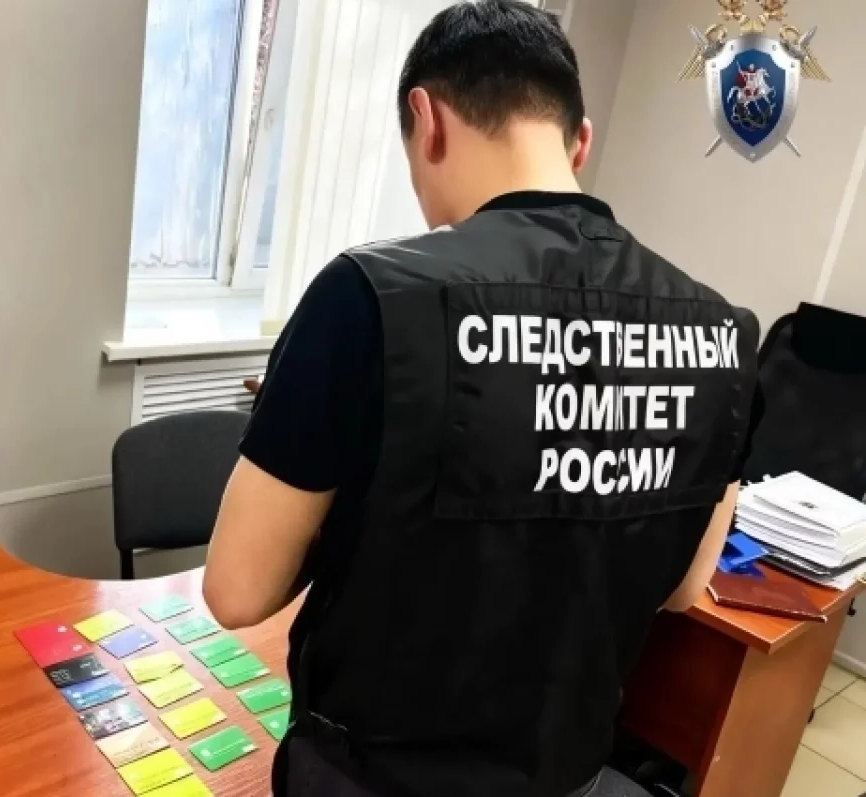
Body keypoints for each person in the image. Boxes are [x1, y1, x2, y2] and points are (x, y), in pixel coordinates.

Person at [202, 2, 762, 796]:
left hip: (374, 774)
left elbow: (237, 590)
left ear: (427, 120)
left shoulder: (370, 297)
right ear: (579, 142)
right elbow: (683, 586)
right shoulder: (725, 336)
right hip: (563, 773)